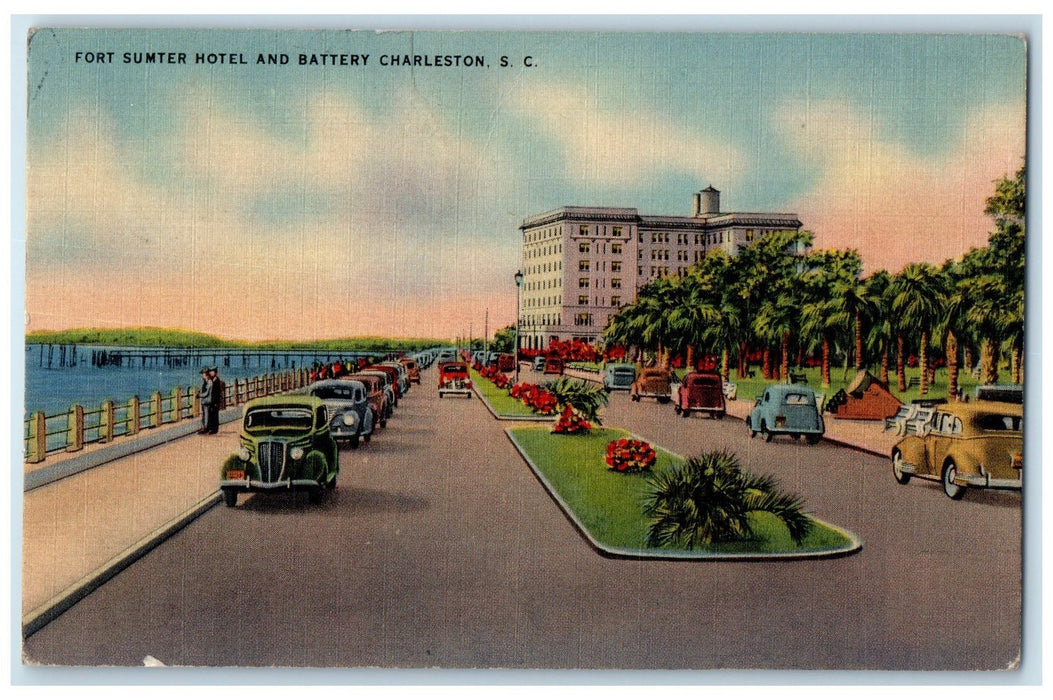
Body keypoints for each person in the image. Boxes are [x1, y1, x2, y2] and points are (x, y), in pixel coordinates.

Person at [206, 367, 224, 434]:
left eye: (212, 372)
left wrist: (216, 402)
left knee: (215, 415)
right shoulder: (213, 379)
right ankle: (211, 428)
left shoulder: (216, 380)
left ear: (215, 372)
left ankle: (214, 429)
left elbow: (217, 392)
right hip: (212, 400)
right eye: (210, 372)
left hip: (215, 401)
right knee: (211, 414)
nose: (210, 373)